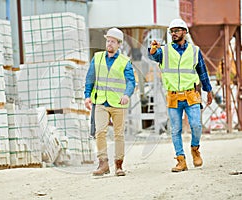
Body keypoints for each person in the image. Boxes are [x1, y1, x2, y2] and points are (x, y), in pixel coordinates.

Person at [148, 19, 213, 172]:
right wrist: (151, 50)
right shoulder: (163, 51)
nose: (174, 33)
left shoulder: (195, 51)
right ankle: (181, 160)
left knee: (196, 125)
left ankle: (195, 149)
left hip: (191, 95)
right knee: (175, 129)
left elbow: (202, 73)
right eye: (172, 31)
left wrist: (208, 91)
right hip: (173, 96)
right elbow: (154, 56)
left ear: (184, 32)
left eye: (177, 30)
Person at [84, 27, 136, 176]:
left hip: (118, 103)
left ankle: (119, 165)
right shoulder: (98, 57)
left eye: (113, 41)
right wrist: (87, 96)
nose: (109, 44)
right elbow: (90, 78)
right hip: (100, 101)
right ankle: (103, 163)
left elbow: (131, 82)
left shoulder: (124, 62)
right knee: (100, 132)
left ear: (119, 44)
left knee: (119, 134)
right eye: (108, 41)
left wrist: (126, 94)